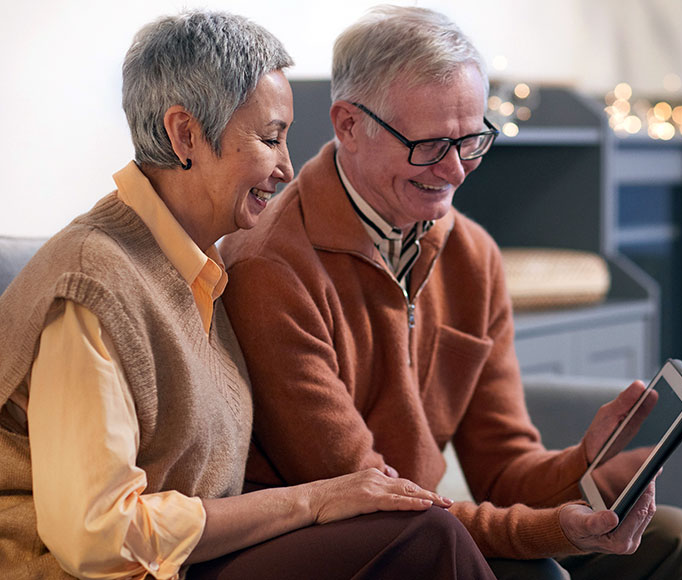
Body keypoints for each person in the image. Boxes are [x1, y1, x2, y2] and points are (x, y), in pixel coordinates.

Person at [220, 5, 682, 579]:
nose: (455, 171)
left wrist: (588, 463)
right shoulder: (271, 269)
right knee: (543, 573)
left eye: (472, 140)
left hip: (428, 528)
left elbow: (503, 470)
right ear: (348, 124)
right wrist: (554, 530)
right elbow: (378, 499)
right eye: (430, 145)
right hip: (344, 546)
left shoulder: (473, 255)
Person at [0, 10, 496, 580]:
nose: (287, 166)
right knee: (424, 537)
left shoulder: (196, 266)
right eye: (270, 138)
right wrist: (312, 502)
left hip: (194, 560)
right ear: (185, 134)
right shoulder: (92, 284)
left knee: (429, 540)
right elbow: (98, 537)